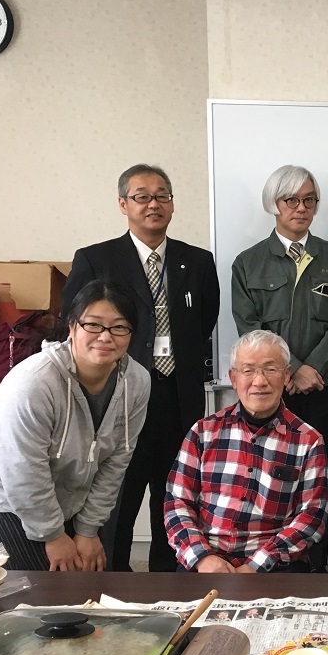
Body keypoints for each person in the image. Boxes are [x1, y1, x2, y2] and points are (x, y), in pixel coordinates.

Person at [60, 163, 219, 572]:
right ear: (123, 204)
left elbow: (204, 321)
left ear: (172, 203)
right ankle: (112, 580)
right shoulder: (96, 259)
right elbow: (74, 322)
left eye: (162, 195)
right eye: (142, 196)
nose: (153, 204)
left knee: (175, 499)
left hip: (177, 398)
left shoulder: (197, 261)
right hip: (119, 396)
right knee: (117, 499)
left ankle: (168, 585)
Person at [0, 281, 150, 571]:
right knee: (44, 583)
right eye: (93, 325)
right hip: (0, 487)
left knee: (89, 573)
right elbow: (24, 468)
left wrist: (88, 529)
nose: (105, 337)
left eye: (119, 327)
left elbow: (117, 461)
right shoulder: (34, 381)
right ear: (72, 326)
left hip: (65, 486)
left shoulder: (137, 381)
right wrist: (53, 535)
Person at [231, 164, 328, 571]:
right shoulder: (248, 262)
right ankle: (261, 562)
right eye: (291, 200)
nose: (301, 208)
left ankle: (314, 569)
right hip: (268, 388)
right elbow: (249, 325)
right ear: (274, 204)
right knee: (264, 477)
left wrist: (311, 368)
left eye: (309, 200)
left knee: (315, 480)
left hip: (320, 386)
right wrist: (292, 369)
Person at [165, 330, 328, 573]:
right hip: (207, 561)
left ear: (286, 375)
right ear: (233, 378)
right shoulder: (203, 432)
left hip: (275, 566)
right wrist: (203, 558)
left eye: (270, 369)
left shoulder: (308, 441)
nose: (259, 381)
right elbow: (177, 502)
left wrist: (256, 565)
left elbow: (311, 517)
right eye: (248, 370)